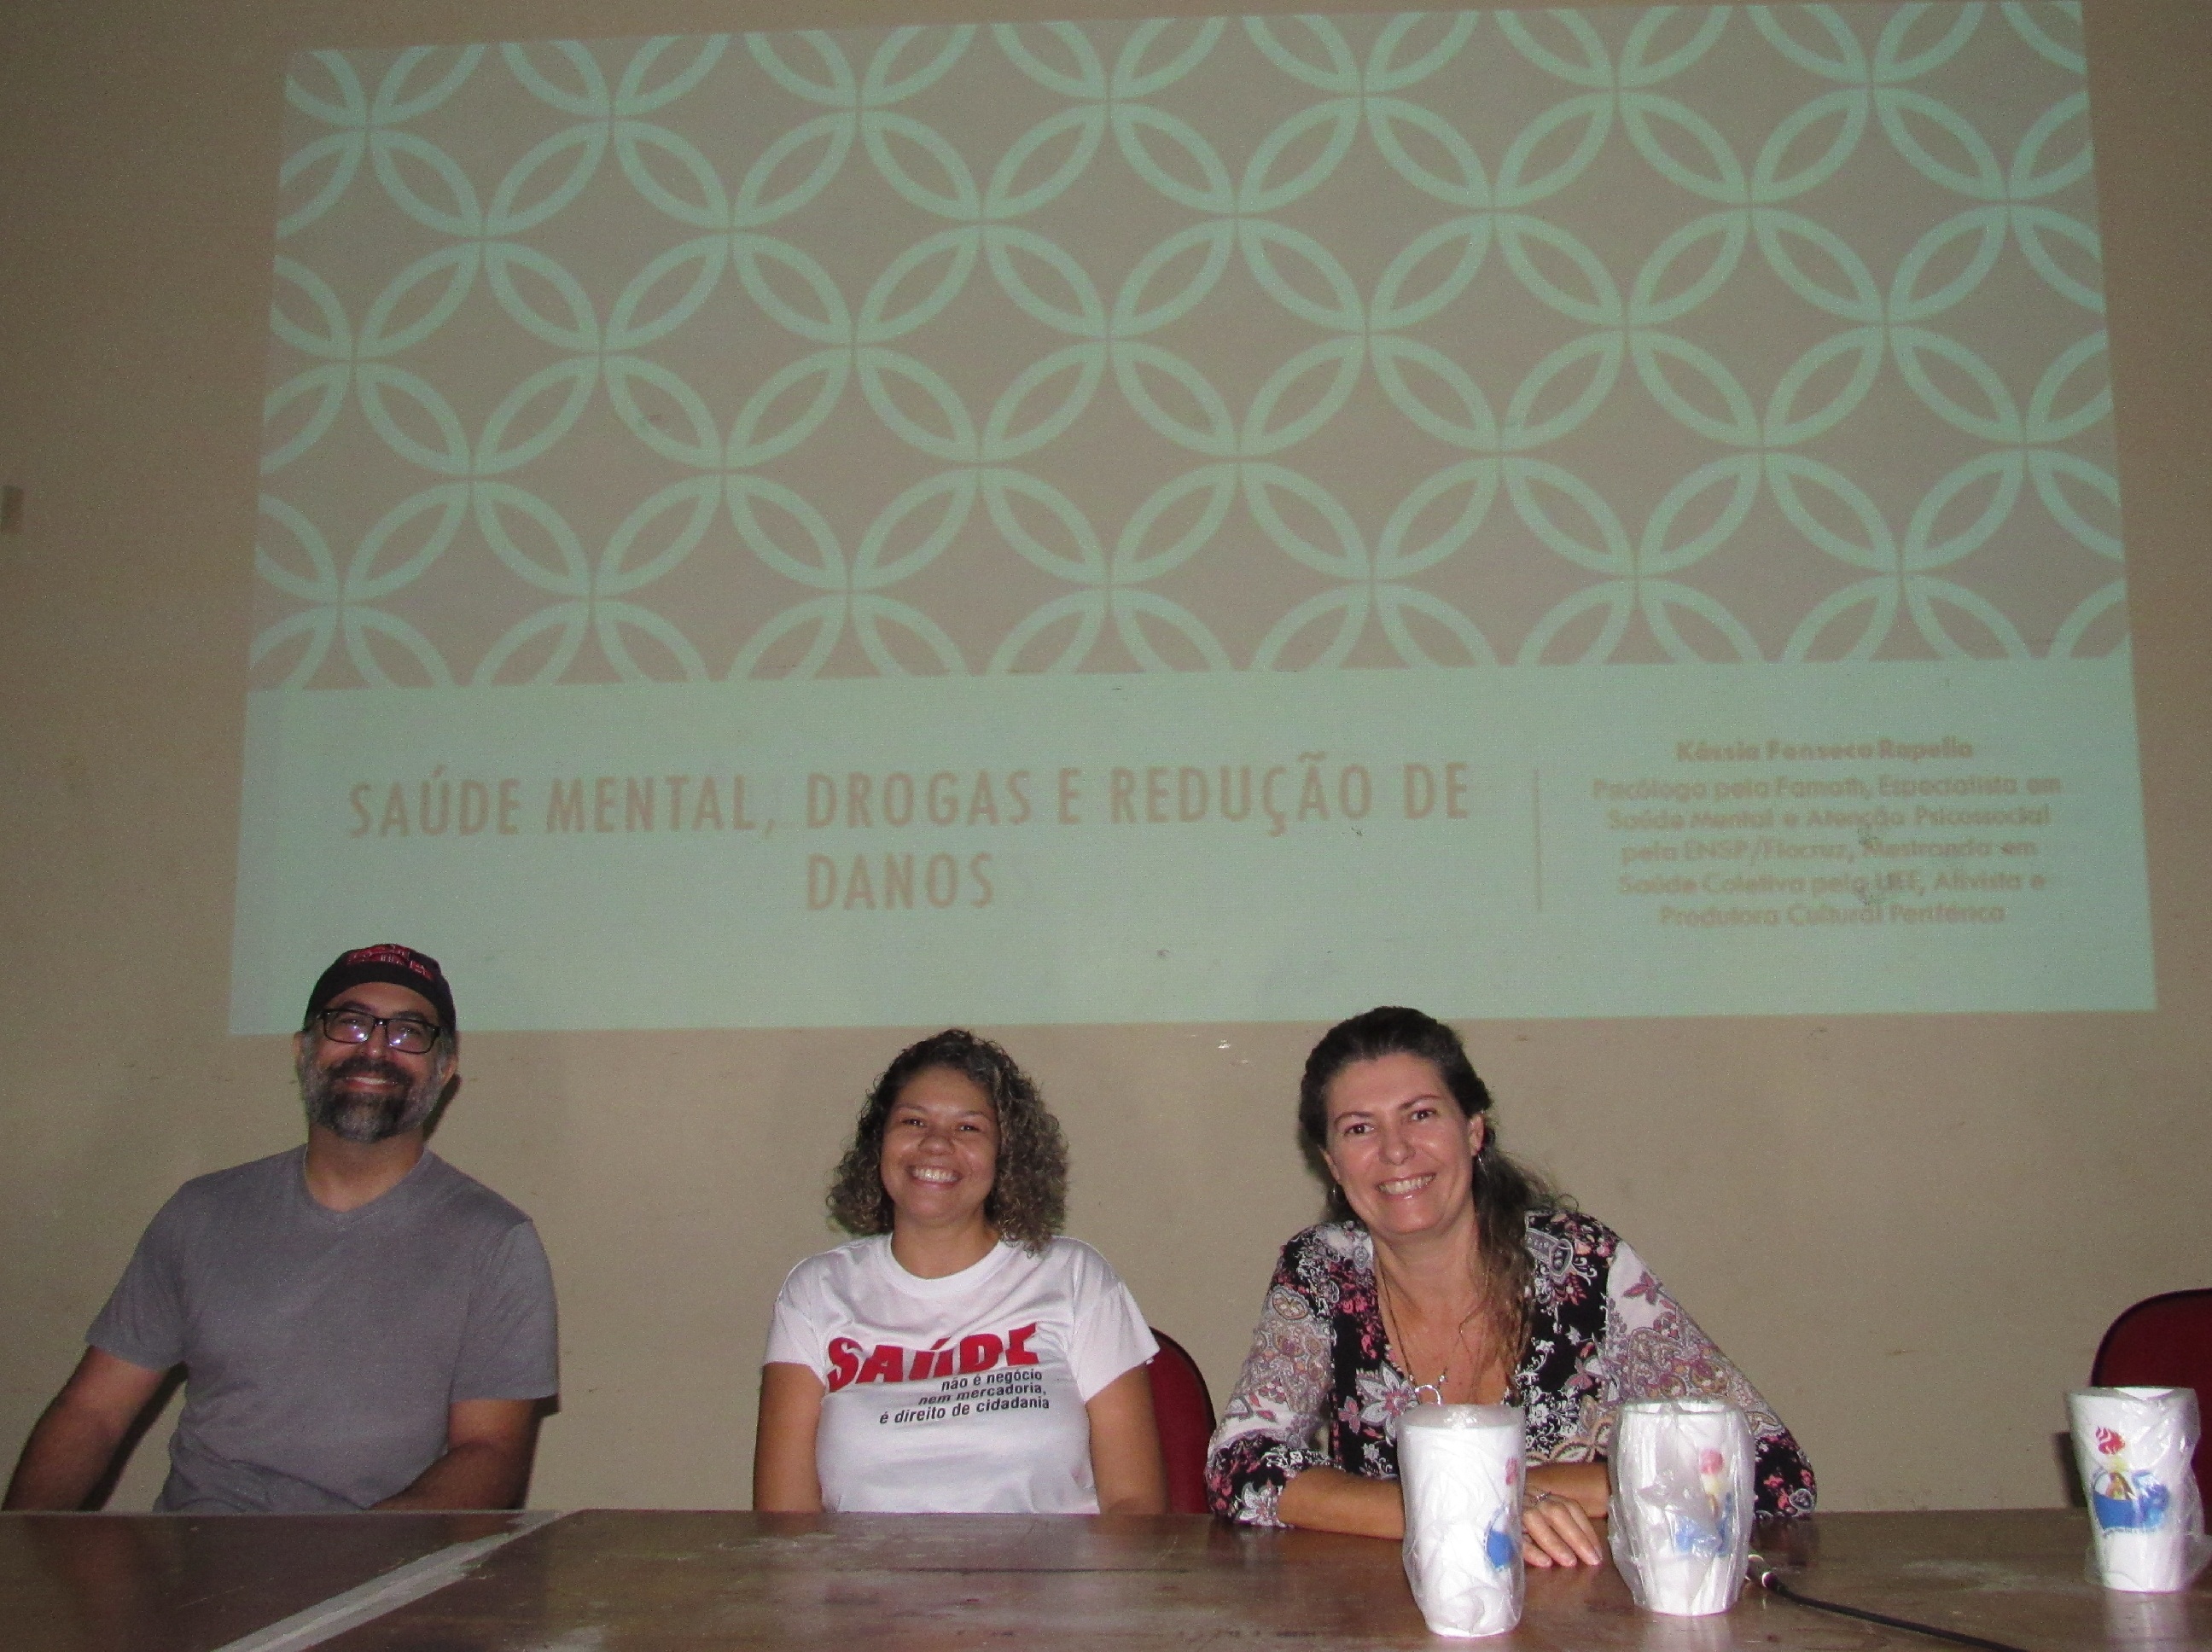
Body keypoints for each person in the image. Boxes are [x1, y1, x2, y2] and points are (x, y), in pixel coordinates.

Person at [1206, 1007, 1813, 1563]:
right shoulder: (1321, 1271)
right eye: (1360, 1129)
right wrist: (1463, 1507)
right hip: (1394, 1616)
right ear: (1333, 1164)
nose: (1396, 1151)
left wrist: (1524, 1491)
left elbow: (1769, 1466)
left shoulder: (1584, 1266)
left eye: (1421, 1115)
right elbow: (1240, 1465)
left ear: (1473, 1131)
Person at [3, 944, 557, 1514]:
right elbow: (93, 1413)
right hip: (197, 1553)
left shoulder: (495, 1242)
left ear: (444, 1070)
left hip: (380, 1556)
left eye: (408, 1033)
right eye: (350, 1022)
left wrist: (349, 1559)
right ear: (303, 1049)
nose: (374, 1048)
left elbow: (490, 1454)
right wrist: (18, 1548)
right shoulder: (202, 1213)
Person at [753, 1029, 1167, 1515]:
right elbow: (784, 1526)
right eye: (913, 1121)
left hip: (1049, 1565)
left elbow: (1135, 1506)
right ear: (879, 1142)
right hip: (866, 1567)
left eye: (969, 1128)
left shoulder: (1076, 1278)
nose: (935, 1144)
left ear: (1005, 1155)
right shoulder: (815, 1292)